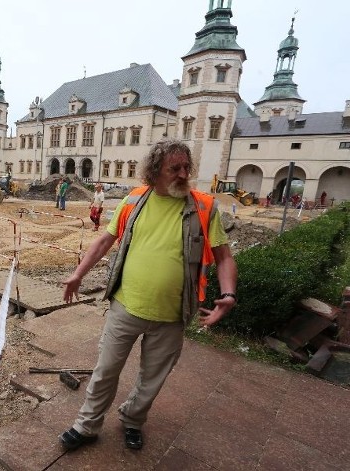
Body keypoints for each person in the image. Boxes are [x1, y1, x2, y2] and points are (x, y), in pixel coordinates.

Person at [59, 139, 237, 452]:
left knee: (152, 379)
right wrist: (77, 274)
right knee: (105, 372)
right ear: (155, 172)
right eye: (174, 169)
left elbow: (224, 256)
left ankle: (132, 420)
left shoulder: (204, 207)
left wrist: (229, 294)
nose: (183, 174)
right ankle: (87, 426)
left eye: (186, 167)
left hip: (173, 314)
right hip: (126, 307)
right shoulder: (134, 200)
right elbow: (104, 241)